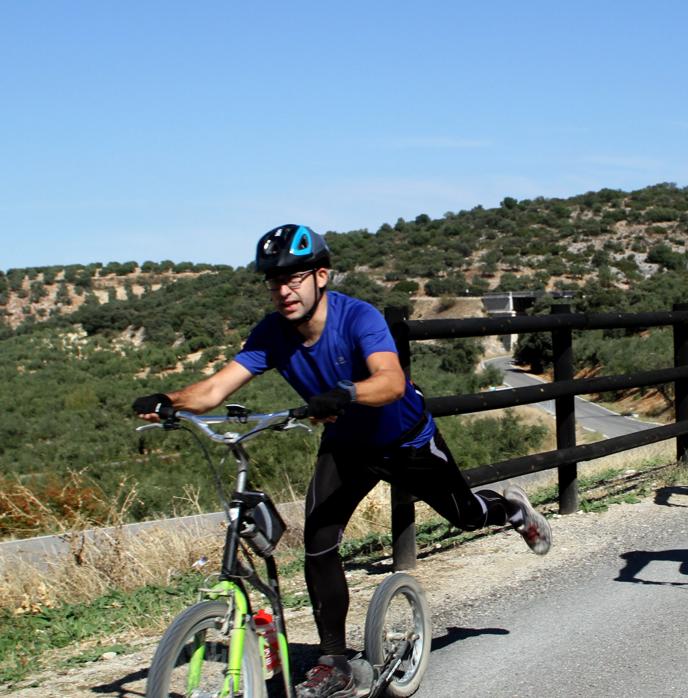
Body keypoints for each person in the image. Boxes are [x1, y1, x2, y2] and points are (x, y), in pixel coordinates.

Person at [132, 224, 552, 698]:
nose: (283, 289)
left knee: (467, 516)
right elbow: (212, 391)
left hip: (406, 440)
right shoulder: (272, 333)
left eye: (294, 277)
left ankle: (511, 508)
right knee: (317, 540)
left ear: (322, 276)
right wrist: (169, 398)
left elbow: (391, 382)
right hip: (347, 448)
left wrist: (347, 392)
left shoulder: (358, 318)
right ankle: (336, 662)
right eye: (274, 281)